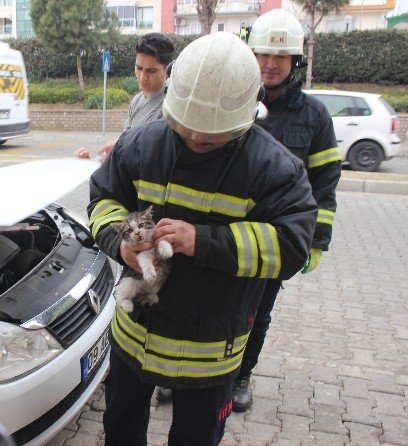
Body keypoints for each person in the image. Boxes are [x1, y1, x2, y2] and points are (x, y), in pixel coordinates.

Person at [88, 32, 317, 445]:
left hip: (208, 355)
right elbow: (104, 197)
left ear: (247, 117)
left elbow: (291, 245)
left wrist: (204, 241)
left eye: (210, 137)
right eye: (187, 129)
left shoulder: (274, 169)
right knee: (120, 428)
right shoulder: (140, 144)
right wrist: (118, 243)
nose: (196, 139)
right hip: (133, 338)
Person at [231, 8, 342, 413]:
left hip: (273, 241)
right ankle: (191, 376)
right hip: (223, 232)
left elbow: (325, 184)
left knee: (256, 316)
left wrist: (316, 241)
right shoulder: (233, 101)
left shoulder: (314, 116)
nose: (271, 64)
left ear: (296, 61)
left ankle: (240, 377)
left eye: (281, 57)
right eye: (263, 55)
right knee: (208, 306)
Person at [75, 33, 174, 160]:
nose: (143, 77)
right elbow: (122, 146)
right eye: (138, 68)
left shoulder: (170, 105)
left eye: (151, 71)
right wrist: (91, 162)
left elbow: (152, 154)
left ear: (167, 69)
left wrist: (120, 149)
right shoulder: (136, 101)